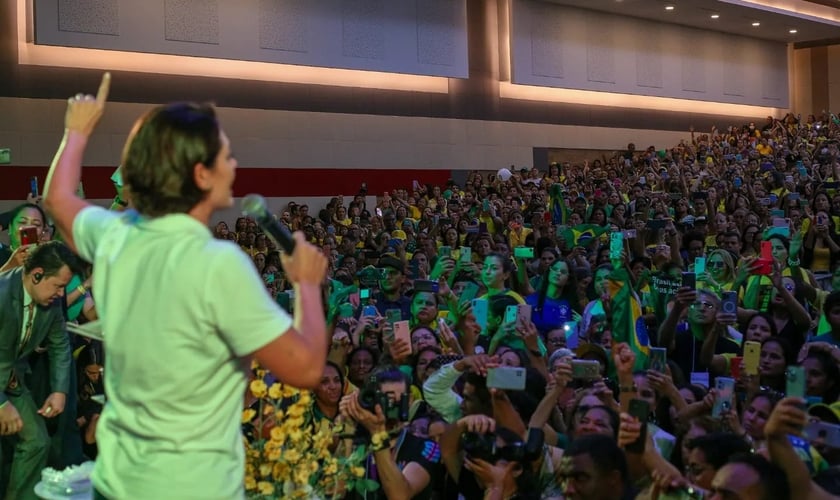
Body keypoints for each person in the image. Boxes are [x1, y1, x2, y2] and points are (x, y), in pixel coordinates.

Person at [42, 73, 329, 499]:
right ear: (201, 174)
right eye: (227, 157)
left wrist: (77, 131)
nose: (234, 165)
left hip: (117, 482)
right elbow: (306, 368)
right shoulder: (217, 265)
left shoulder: (118, 236)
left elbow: (58, 199)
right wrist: (306, 283)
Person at [0, 241, 75, 500]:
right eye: (59, 286)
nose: (61, 294)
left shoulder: (51, 303)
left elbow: (60, 344)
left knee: (36, 442)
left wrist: (59, 391)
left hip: (10, 380)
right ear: (37, 274)